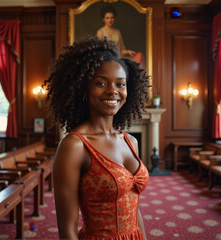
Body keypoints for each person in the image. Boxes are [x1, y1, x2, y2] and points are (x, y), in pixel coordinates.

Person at [43, 37, 150, 240]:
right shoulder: (74, 145)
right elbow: (67, 231)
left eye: (120, 84)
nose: (113, 91)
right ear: (84, 89)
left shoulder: (130, 141)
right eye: (101, 83)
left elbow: (134, 206)